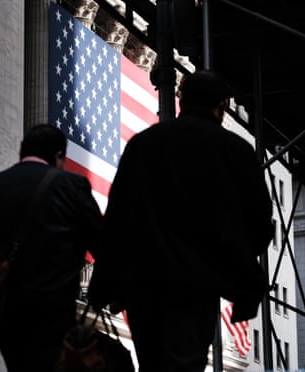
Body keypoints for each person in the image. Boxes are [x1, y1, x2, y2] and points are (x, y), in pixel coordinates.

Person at [88, 70, 274, 372]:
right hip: (197, 283)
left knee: (151, 364)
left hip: (143, 283)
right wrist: (233, 264)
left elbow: (117, 218)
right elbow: (259, 222)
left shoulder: (143, 144)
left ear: (182, 101)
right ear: (222, 105)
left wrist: (105, 284)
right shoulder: (235, 151)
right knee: (184, 364)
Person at [0, 124, 103, 371]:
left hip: (4, 316)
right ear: (58, 156)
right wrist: (106, 293)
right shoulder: (71, 186)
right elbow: (103, 245)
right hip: (53, 313)